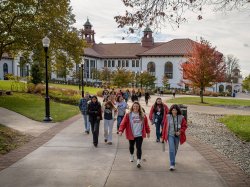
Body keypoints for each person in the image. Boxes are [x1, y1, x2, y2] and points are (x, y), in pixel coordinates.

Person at [119, 101, 150, 168]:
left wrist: (148, 132)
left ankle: (138, 160)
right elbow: (123, 123)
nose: (135, 107)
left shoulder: (142, 115)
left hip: (139, 134)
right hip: (131, 134)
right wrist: (121, 131)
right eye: (134, 106)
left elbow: (146, 125)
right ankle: (132, 155)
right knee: (131, 146)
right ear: (132, 107)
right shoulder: (128, 115)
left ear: (139, 107)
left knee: (139, 147)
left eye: (137, 106)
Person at [162, 104, 187, 171]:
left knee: (175, 149)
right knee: (172, 149)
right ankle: (172, 164)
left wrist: (180, 131)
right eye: (173, 110)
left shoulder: (181, 117)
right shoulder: (168, 117)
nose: (174, 111)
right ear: (171, 110)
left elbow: (185, 126)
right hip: (170, 135)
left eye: (175, 110)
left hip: (177, 136)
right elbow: (164, 127)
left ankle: (173, 158)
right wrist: (163, 136)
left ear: (177, 110)